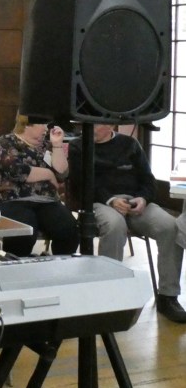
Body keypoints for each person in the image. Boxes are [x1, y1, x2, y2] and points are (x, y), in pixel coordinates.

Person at [68, 124, 186, 323]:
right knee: (115, 225)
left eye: (96, 124)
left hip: (134, 201)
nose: (89, 128)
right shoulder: (79, 146)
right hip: (100, 201)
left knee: (170, 226)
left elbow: (148, 180)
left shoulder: (130, 144)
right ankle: (109, 293)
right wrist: (111, 200)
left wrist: (143, 198)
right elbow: (81, 183)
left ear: (109, 126)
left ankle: (168, 296)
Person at [0, 113, 78, 257]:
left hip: (47, 201)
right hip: (13, 200)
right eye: (42, 124)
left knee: (69, 228)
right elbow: (17, 171)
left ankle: (61, 266)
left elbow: (62, 174)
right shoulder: (6, 142)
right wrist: (48, 174)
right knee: (24, 231)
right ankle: (17, 267)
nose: (46, 128)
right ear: (27, 124)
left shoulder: (47, 145)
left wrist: (57, 145)